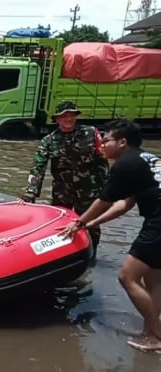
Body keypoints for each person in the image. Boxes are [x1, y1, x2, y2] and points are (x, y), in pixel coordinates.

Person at [59, 119, 161, 352]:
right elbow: (125, 203)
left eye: (106, 141)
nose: (101, 145)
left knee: (127, 277)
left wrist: (79, 222)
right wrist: (92, 223)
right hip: (157, 221)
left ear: (122, 142)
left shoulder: (124, 165)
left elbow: (104, 200)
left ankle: (157, 336)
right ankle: (151, 332)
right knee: (154, 279)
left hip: (158, 224)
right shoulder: (145, 159)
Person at [19, 101, 109, 261]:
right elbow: (38, 167)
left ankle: (91, 256)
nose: (68, 119)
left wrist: (106, 188)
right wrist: (30, 193)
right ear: (57, 119)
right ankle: (62, 258)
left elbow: (102, 160)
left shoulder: (91, 133)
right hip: (62, 190)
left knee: (92, 224)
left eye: (71, 115)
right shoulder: (49, 140)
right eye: (64, 116)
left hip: (88, 188)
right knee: (58, 224)